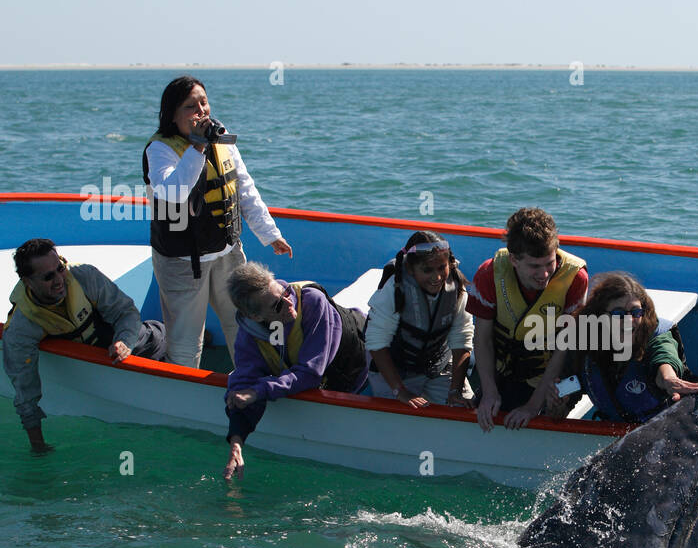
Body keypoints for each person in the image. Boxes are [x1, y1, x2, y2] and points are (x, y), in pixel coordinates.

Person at [143, 75, 293, 368]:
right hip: (182, 261)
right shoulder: (159, 150)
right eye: (190, 107)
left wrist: (269, 233)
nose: (201, 111)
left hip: (227, 253)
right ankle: (182, 394)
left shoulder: (223, 140)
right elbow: (175, 192)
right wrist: (197, 146)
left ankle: (253, 380)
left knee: (243, 325)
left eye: (204, 102)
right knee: (186, 338)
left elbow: (245, 189)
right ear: (172, 116)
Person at [2, 238, 166, 453]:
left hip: (144, 344)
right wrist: (38, 446)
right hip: (103, 369)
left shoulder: (84, 276)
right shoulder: (22, 327)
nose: (59, 279)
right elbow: (25, 392)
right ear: (27, 282)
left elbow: (126, 312)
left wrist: (124, 342)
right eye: (48, 277)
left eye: (60, 268)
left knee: (167, 340)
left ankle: (196, 337)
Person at [222, 262, 368, 479]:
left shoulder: (312, 303)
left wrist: (258, 392)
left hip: (362, 360)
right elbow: (243, 385)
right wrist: (236, 441)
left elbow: (310, 372)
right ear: (255, 317)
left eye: (285, 293)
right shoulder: (249, 334)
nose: (290, 304)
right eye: (277, 306)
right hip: (323, 380)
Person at [466, 207, 589, 430]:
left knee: (554, 407)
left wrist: (534, 406)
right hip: (506, 368)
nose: (544, 274)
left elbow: (564, 347)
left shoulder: (575, 278)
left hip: (553, 370)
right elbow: (482, 339)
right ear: (513, 259)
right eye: (534, 266)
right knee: (488, 412)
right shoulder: (489, 273)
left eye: (549, 263)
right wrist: (490, 393)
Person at [571, 272, 698, 422]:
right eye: (619, 313)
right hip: (609, 429)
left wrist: (669, 378)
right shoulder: (585, 339)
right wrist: (561, 402)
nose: (629, 320)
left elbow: (664, 356)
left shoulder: (657, 336)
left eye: (635, 312)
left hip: (661, 428)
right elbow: (572, 380)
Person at [365, 231, 474, 409]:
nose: (437, 277)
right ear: (410, 268)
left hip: (439, 365)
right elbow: (376, 344)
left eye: (442, 268)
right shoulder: (395, 290)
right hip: (396, 369)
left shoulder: (456, 288)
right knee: (401, 418)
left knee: (465, 409)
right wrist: (399, 390)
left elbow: (462, 339)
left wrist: (455, 390)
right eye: (427, 270)